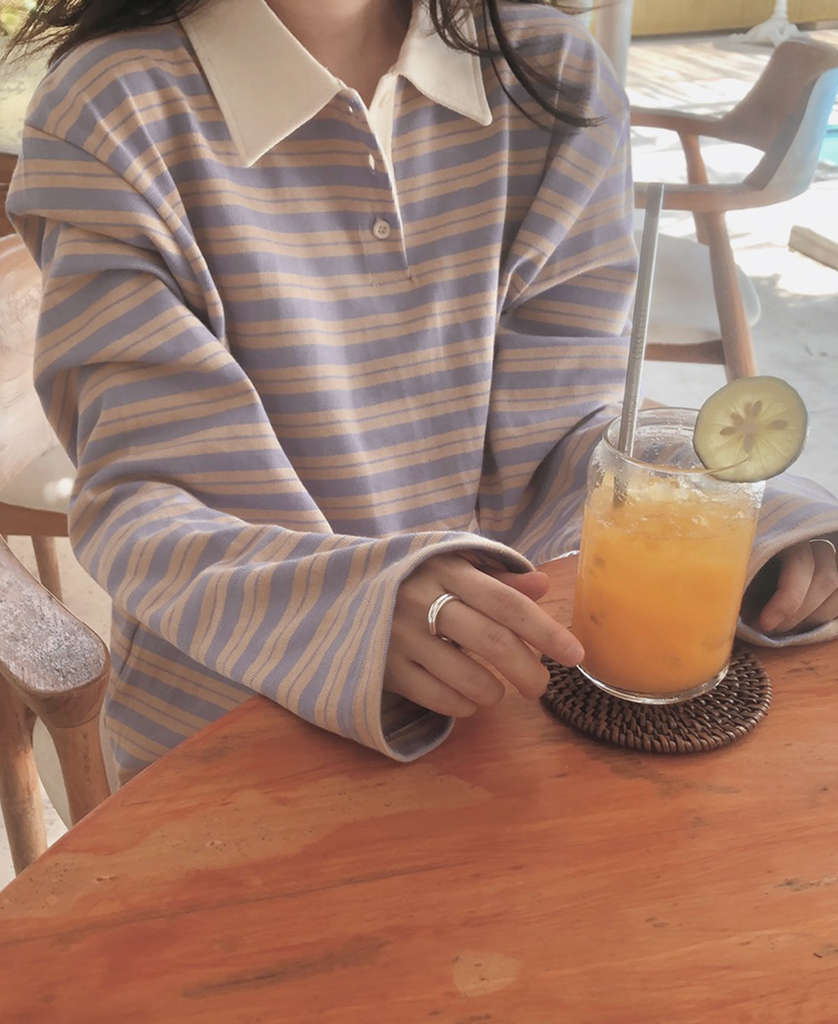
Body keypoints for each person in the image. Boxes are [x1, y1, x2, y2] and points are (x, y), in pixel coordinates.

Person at [5, 0, 838, 786]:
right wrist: (352, 605)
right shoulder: (108, 111)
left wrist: (755, 519)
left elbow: (564, 432)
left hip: (501, 702)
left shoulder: (552, 76)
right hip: (225, 733)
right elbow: (146, 503)